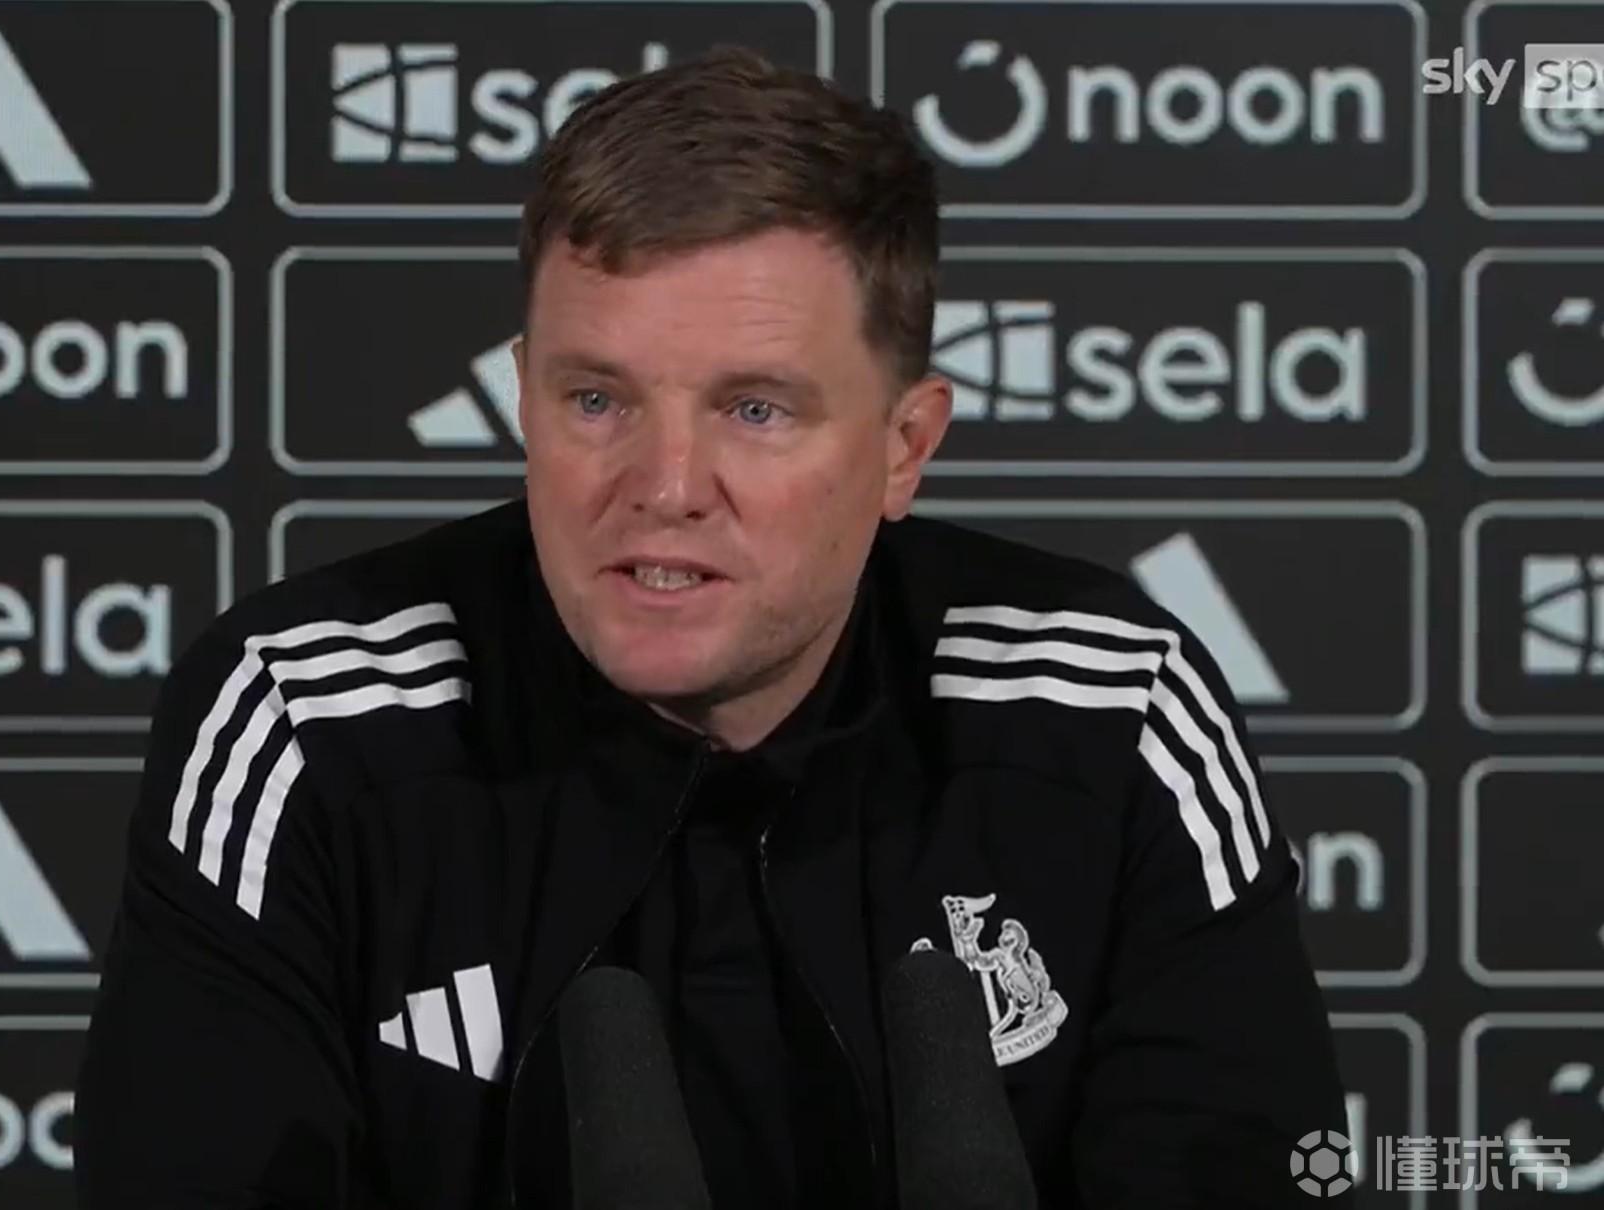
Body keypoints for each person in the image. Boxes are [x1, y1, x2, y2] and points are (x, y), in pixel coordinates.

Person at [74, 45, 1351, 1210]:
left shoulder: (1110, 705)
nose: (666, 485)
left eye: (755, 410)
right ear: (521, 398)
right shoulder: (304, 713)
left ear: (905, 448)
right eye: (595, 399)